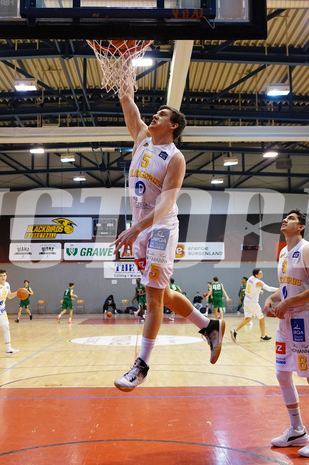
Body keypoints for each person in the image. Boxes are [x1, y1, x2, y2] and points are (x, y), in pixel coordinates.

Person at [109, 64, 224, 392]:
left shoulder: (175, 158)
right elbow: (127, 99)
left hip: (160, 227)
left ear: (173, 125)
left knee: (153, 298)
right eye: (155, 113)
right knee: (161, 293)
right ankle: (209, 325)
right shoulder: (143, 138)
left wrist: (135, 228)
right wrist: (124, 63)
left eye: (161, 113)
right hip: (141, 230)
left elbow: (165, 206)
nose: (154, 115)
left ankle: (141, 366)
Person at [264, 209, 309, 458]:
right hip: (286, 319)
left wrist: (289, 301)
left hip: (305, 317)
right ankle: (297, 430)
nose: (285, 220)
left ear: (301, 227)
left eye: (291, 218)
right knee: (282, 374)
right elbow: (288, 287)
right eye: (286, 217)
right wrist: (272, 299)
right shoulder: (283, 252)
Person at [231, 269, 276, 342]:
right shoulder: (258, 282)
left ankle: (235, 331)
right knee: (261, 318)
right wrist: (279, 289)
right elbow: (268, 288)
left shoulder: (250, 278)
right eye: (260, 273)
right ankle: (263, 336)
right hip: (253, 303)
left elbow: (251, 287)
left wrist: (258, 291)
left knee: (248, 319)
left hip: (246, 301)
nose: (262, 274)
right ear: (256, 275)